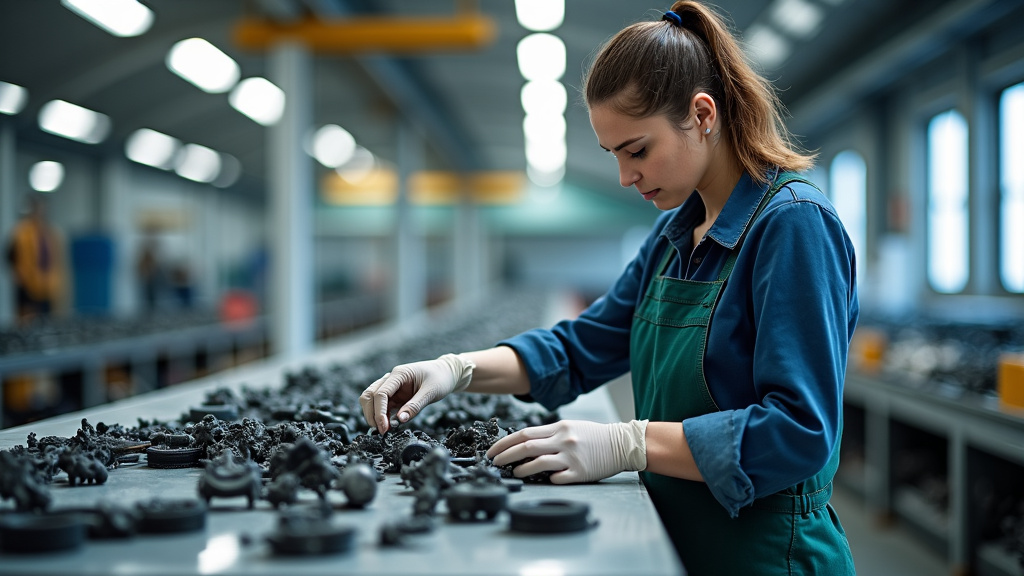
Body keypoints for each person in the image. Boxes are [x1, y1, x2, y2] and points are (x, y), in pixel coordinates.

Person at [359, 2, 858, 574]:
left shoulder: (792, 224)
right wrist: (454, 369)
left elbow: (800, 431)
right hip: (678, 540)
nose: (625, 177)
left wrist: (628, 443)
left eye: (637, 150)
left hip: (768, 553)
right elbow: (583, 346)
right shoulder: (674, 234)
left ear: (702, 115)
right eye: (613, 155)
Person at [7, 195, 65, 325]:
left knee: (46, 322)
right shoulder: (21, 232)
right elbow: (11, 256)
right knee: (27, 322)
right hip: (27, 285)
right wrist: (19, 277)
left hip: (46, 286)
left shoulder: (49, 232)